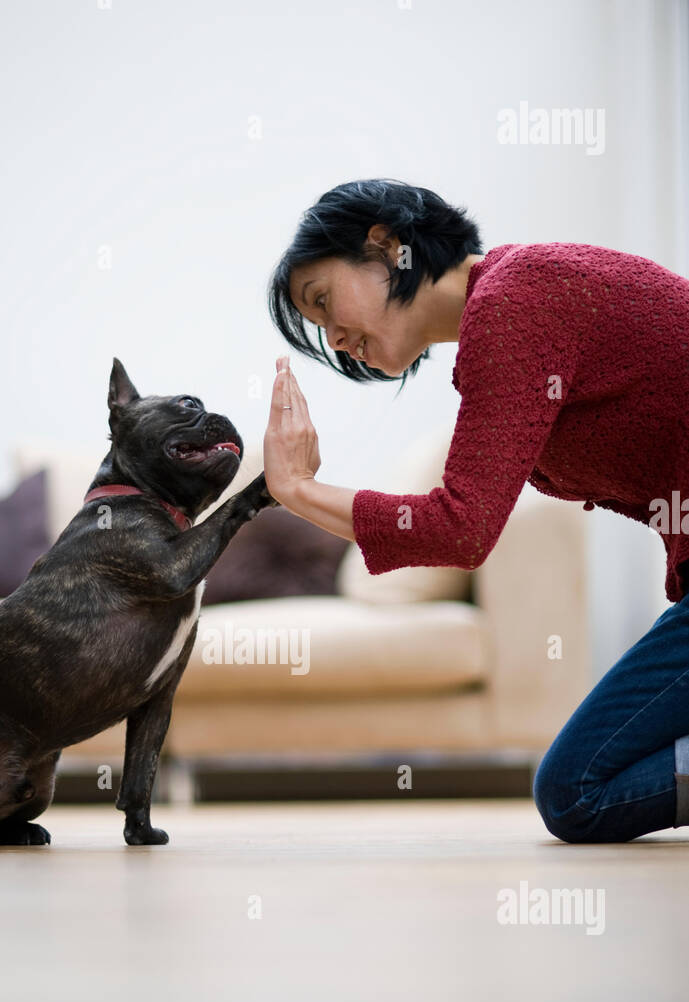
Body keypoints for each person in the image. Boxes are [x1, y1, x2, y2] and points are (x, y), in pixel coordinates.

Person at [262, 177, 689, 844]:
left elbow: (462, 527)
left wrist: (297, 490)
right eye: (316, 327)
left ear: (385, 244)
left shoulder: (516, 299)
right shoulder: (512, 303)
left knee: (575, 791)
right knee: (577, 788)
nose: (333, 337)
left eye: (324, 301)